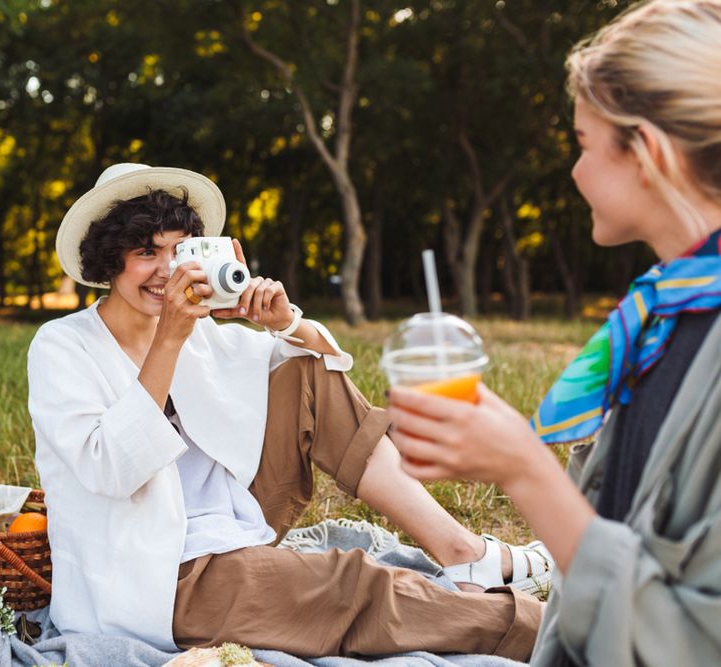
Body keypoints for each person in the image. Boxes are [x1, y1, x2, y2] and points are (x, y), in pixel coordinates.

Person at [28, 163, 546, 660]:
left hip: (236, 521)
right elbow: (109, 469)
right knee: (352, 586)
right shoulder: (62, 347)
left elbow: (324, 365)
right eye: (145, 251)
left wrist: (284, 321)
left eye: (178, 251)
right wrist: (169, 339)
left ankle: (463, 554)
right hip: (157, 576)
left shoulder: (203, 334)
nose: (167, 270)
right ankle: (543, 631)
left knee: (306, 371)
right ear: (107, 259)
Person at [384, 1, 721, 665]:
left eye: (582, 145)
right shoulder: (658, 319)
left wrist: (523, 467)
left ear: (648, 152)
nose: (572, 173)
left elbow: (690, 643)